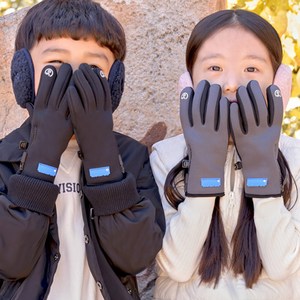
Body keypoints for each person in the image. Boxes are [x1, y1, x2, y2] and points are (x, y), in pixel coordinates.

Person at [0, 0, 165, 299]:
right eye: (55, 66)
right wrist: (42, 156)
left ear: (113, 83)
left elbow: (135, 257)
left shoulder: (131, 158)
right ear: (23, 75)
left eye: (92, 69)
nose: (74, 82)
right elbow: (10, 260)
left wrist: (102, 156)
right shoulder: (3, 158)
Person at [150, 9, 300, 300]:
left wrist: (262, 168)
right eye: (215, 68)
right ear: (189, 82)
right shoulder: (166, 156)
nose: (231, 83)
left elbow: (283, 264)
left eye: (252, 69)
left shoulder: (295, 157)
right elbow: (177, 267)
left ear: (278, 83)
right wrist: (205, 170)